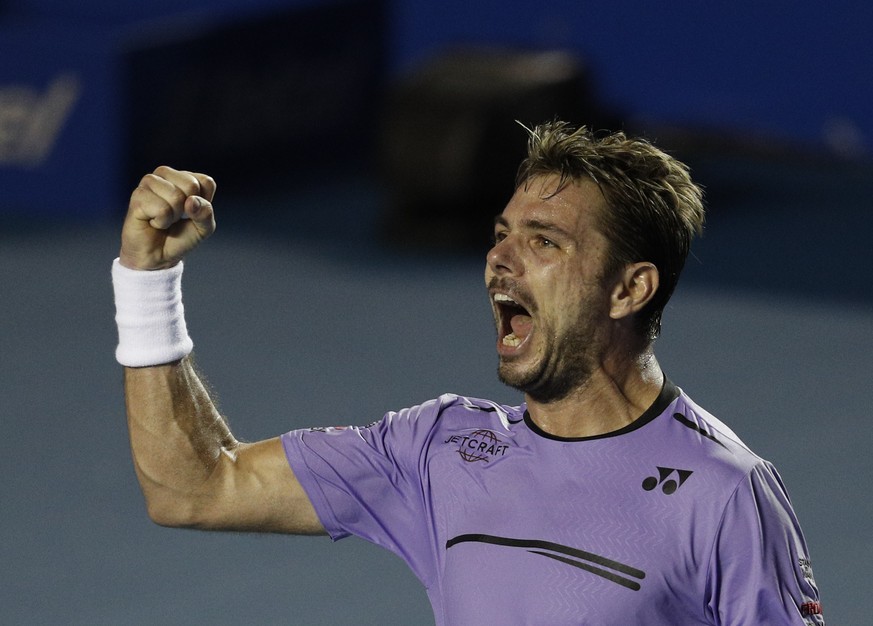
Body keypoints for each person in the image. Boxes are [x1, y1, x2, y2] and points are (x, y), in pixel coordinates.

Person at [112, 120, 825, 624]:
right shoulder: (434, 450)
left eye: (543, 241)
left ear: (628, 290)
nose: (500, 260)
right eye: (500, 235)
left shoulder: (723, 493)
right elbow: (194, 488)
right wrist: (147, 279)